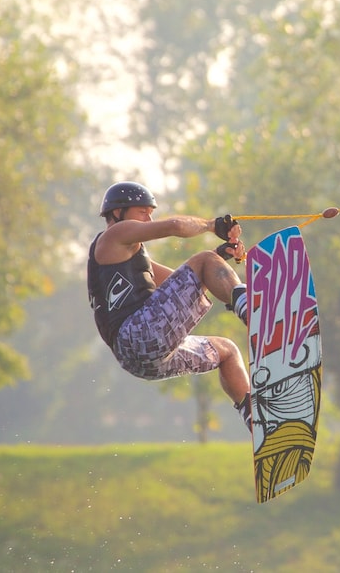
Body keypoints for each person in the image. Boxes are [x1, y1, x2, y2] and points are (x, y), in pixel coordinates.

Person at [86, 181, 252, 430]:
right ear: (118, 213)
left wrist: (221, 257)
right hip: (138, 333)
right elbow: (174, 226)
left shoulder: (130, 259)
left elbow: (184, 284)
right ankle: (252, 310)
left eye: (151, 212)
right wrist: (210, 225)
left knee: (227, 351)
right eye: (143, 212)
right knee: (205, 259)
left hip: (139, 359)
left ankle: (257, 419)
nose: (149, 218)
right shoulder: (113, 236)